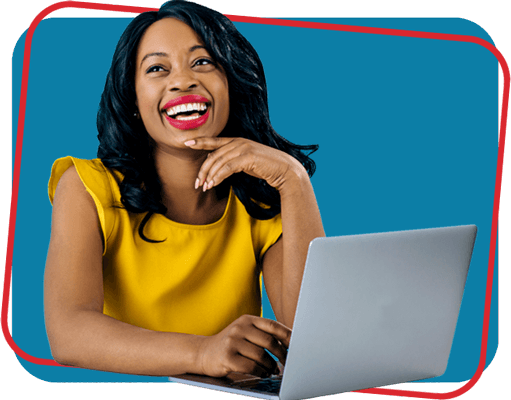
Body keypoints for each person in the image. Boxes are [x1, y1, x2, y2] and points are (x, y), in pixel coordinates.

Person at [43, 0, 324, 379]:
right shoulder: (86, 187)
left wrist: (294, 181)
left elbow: (312, 337)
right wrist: (202, 352)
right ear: (134, 101)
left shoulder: (258, 200)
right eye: (157, 68)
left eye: (203, 62)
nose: (182, 81)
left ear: (233, 84)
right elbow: (69, 335)